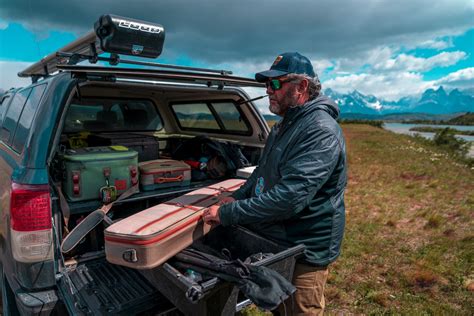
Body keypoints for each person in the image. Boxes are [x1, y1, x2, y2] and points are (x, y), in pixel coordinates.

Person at [203, 52, 347, 315]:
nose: (269, 90)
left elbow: (290, 198)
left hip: (305, 248)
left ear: (302, 87)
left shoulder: (319, 131)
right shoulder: (284, 125)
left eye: (276, 84)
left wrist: (227, 213)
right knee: (280, 305)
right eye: (266, 85)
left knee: (300, 309)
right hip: (279, 239)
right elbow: (262, 171)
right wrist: (238, 196)